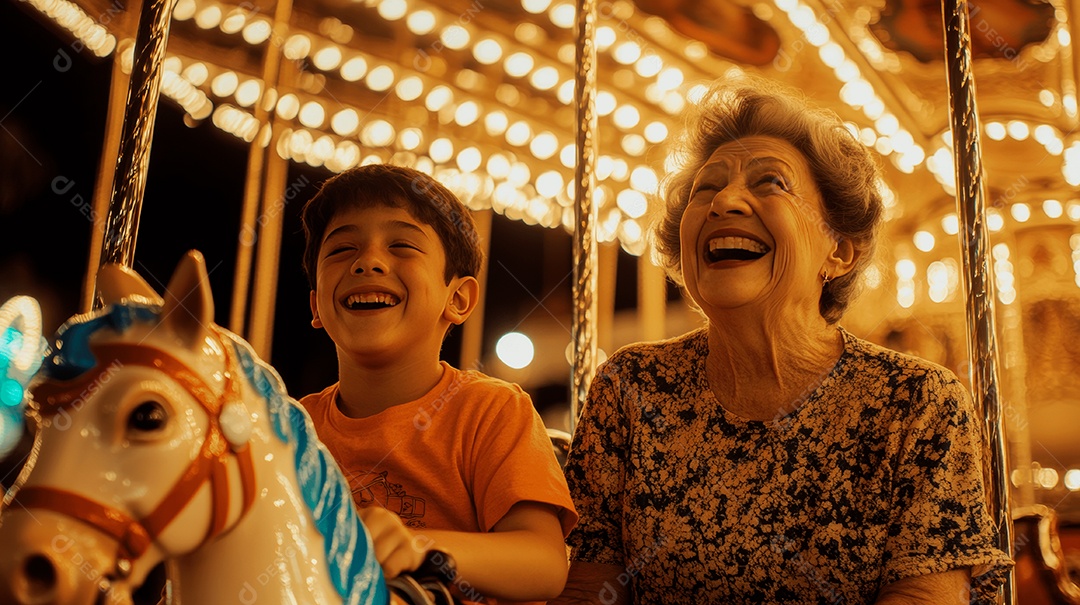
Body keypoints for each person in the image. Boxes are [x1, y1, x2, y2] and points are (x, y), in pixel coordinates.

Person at [552, 74, 1011, 604]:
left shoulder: (917, 402)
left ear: (839, 251)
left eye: (771, 182)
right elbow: (590, 589)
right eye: (707, 187)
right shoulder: (631, 386)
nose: (724, 201)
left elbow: (924, 596)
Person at [299, 164, 577, 604]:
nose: (366, 261)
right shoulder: (295, 426)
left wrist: (420, 546)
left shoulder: (489, 410)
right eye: (341, 249)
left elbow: (543, 563)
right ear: (316, 303)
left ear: (458, 298)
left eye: (402, 245)